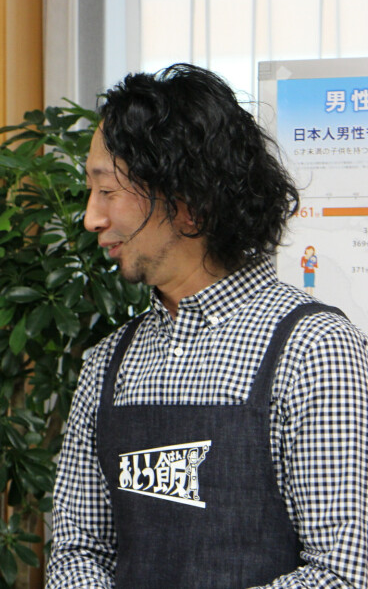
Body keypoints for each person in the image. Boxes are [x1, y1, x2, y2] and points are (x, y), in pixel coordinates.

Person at [46, 64, 367, 587]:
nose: (90, 218)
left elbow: (343, 572)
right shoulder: (108, 362)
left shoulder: (314, 349)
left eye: (107, 191)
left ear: (187, 201)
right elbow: (78, 551)